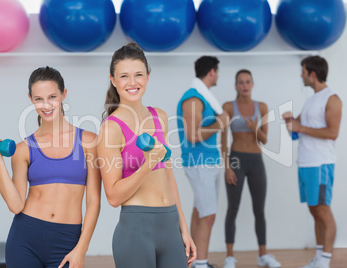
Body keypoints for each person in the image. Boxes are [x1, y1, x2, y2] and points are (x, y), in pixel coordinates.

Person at [0, 66, 101, 268]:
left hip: (67, 240)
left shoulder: (88, 141)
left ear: (64, 94)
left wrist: (81, 248)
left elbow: (94, 200)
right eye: (38, 99)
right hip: (25, 239)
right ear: (30, 99)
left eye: (52, 96)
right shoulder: (22, 149)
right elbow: (16, 205)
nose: (46, 104)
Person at [97, 42, 196, 268]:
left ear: (148, 77)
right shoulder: (111, 128)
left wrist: (184, 229)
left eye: (138, 74)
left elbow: (169, 178)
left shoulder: (159, 116)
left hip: (170, 226)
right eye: (124, 76)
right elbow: (113, 196)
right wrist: (147, 164)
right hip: (136, 229)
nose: (132, 82)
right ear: (113, 80)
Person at [283, 56, 342, 268]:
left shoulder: (331, 99)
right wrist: (290, 123)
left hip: (321, 164)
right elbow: (297, 133)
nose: (301, 75)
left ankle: (325, 262)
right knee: (314, 210)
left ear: (312, 74)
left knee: (323, 211)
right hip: (305, 163)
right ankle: (318, 259)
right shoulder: (311, 100)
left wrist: (299, 127)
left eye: (303, 71)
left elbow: (332, 133)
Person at [221, 69, 281, 268]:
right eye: (240, 82)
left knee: (259, 210)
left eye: (247, 82)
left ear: (252, 84)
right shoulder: (228, 107)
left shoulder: (261, 107)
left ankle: (263, 255)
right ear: (236, 85)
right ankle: (230, 256)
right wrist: (227, 167)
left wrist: (255, 127)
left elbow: (264, 139)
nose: (244, 85)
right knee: (233, 208)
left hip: (256, 160)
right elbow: (223, 140)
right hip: (236, 159)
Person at [176, 56, 229, 268]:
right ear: (212, 72)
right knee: (208, 216)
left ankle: (194, 262)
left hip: (209, 162)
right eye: (217, 71)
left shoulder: (204, 97)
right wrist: (220, 123)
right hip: (199, 163)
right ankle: (201, 264)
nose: (217, 75)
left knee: (200, 212)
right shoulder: (193, 98)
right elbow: (192, 135)